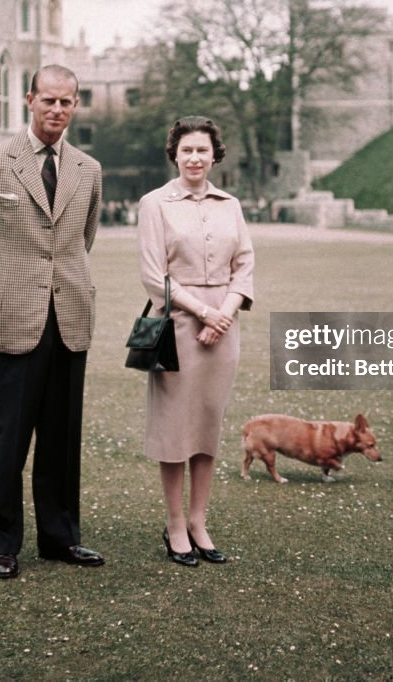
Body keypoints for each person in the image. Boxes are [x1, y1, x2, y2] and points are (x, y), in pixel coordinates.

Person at [0, 64, 104, 579]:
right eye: (49, 101)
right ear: (29, 100)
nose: (57, 110)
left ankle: (61, 538)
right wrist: (3, 289)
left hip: (68, 317)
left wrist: (56, 285)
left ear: (76, 105)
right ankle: (2, 541)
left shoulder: (88, 169)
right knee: (9, 438)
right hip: (11, 317)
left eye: (67, 102)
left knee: (63, 438)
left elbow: (82, 241)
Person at [137, 116, 254, 566]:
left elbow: (244, 264)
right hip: (175, 328)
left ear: (214, 155)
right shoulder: (155, 204)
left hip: (222, 331)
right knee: (174, 431)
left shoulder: (231, 205)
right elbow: (153, 275)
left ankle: (199, 521)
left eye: (202, 150)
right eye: (186, 150)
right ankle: (173, 524)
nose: (194, 158)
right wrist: (203, 312)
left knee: (207, 427)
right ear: (175, 154)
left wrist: (223, 313)